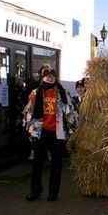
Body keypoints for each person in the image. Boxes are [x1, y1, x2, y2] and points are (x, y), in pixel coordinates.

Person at [23, 63, 71, 201]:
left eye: (52, 75)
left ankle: (53, 191)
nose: (49, 78)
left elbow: (69, 112)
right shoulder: (35, 93)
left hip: (57, 132)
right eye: (47, 75)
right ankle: (35, 190)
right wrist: (30, 128)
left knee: (56, 163)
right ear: (42, 78)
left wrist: (69, 127)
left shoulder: (62, 93)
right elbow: (29, 112)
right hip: (40, 131)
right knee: (37, 161)